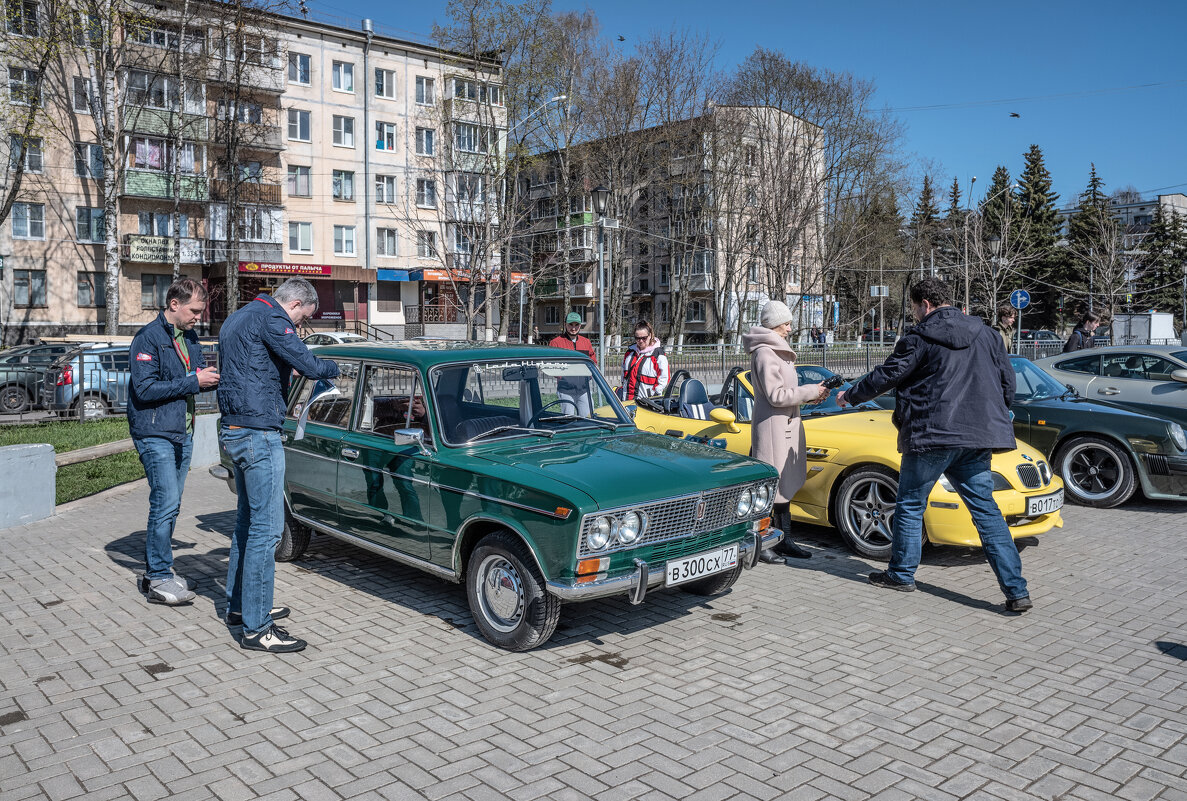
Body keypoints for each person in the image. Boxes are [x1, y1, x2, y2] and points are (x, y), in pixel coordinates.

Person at [836, 277, 1032, 613]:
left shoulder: (920, 336)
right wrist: (997, 412)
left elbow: (888, 375)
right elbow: (1007, 381)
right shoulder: (987, 334)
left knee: (911, 504)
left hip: (931, 435)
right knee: (986, 510)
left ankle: (901, 575)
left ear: (924, 304)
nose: (914, 315)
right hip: (977, 438)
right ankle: (1017, 592)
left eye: (914, 308)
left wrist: (851, 395)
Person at [218, 278, 340, 653]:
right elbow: (307, 363)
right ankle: (258, 628)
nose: (302, 327)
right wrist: (335, 365)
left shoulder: (236, 317)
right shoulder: (274, 319)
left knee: (246, 524)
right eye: (304, 318)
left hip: (234, 430)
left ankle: (241, 608)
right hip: (259, 434)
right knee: (267, 532)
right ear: (296, 303)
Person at [128, 278, 220, 605]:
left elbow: (195, 380)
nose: (199, 316)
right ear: (174, 305)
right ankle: (158, 576)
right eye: (194, 310)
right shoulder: (148, 339)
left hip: (183, 432)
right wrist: (193, 380)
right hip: (154, 433)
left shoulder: (189, 336)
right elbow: (145, 390)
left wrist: (210, 380)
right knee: (165, 502)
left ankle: (162, 569)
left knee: (173, 504)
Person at [743, 301, 827, 564]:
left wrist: (812, 397)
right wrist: (811, 391)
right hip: (772, 427)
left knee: (784, 485)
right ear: (774, 324)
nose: (790, 329)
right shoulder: (765, 353)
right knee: (770, 487)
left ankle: (784, 539)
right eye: (786, 324)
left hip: (785, 425)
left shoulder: (776, 351)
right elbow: (776, 395)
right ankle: (764, 541)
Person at [548, 312, 596, 415]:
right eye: (570, 325)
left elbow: (593, 362)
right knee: (568, 420)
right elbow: (551, 364)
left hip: (584, 390)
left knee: (587, 419)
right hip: (566, 390)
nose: (573, 328)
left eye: (576, 325)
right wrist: (563, 377)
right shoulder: (556, 343)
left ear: (580, 325)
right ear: (565, 324)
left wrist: (588, 376)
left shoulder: (586, 342)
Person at [620, 320, 669, 401]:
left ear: (650, 336)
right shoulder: (629, 353)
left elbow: (664, 379)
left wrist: (655, 395)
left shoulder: (658, 355)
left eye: (644, 338)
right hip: (627, 400)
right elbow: (623, 375)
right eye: (637, 338)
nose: (641, 341)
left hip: (647, 403)